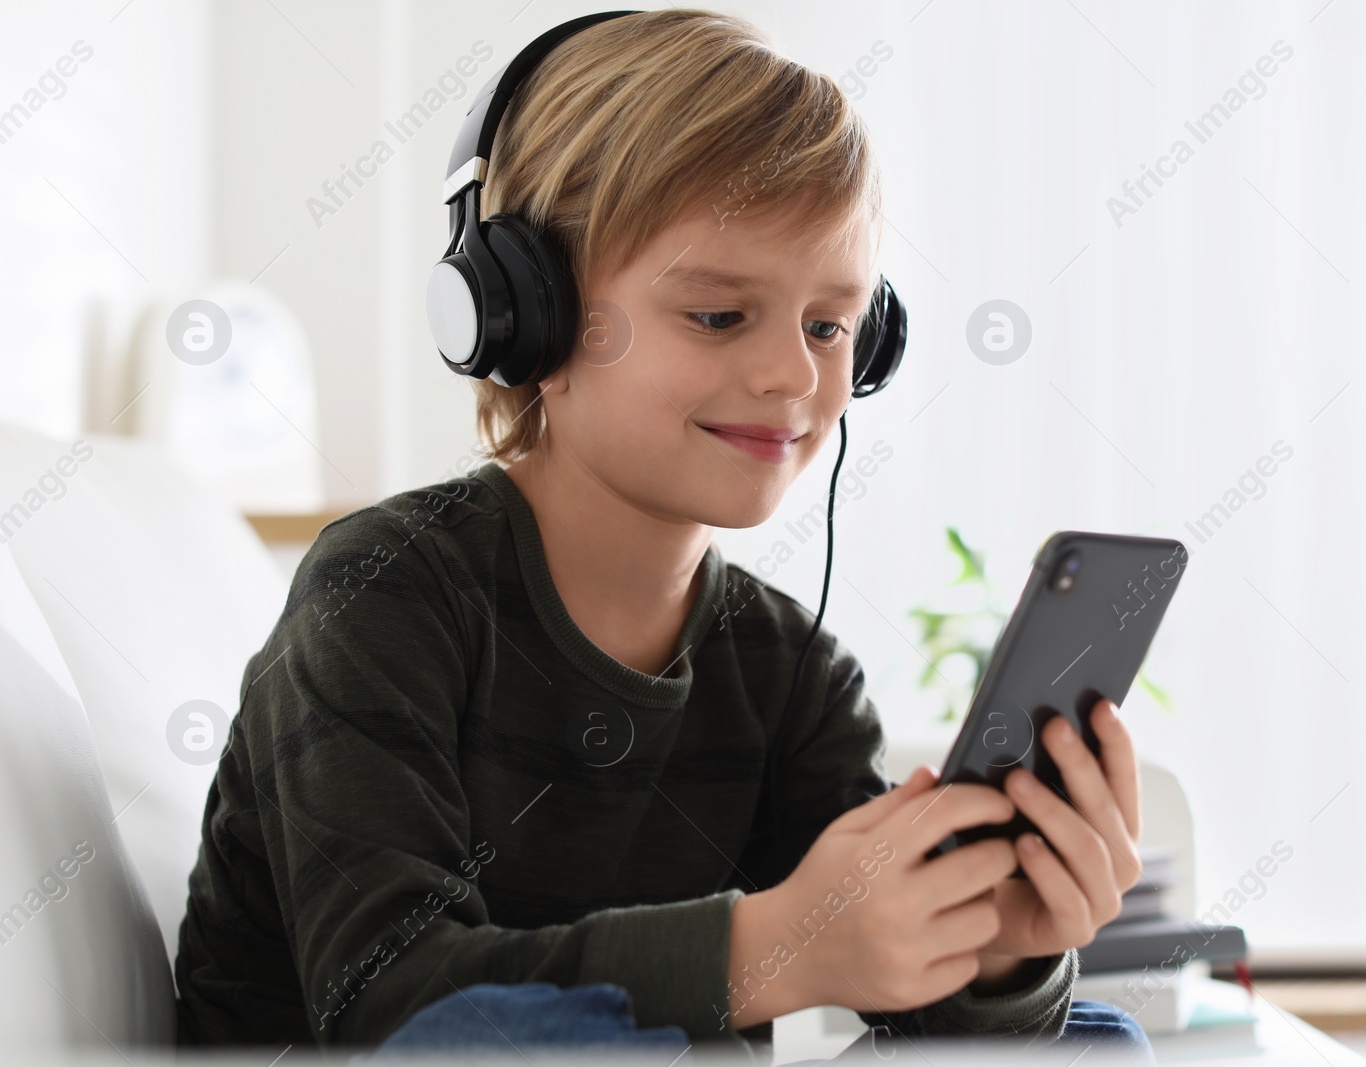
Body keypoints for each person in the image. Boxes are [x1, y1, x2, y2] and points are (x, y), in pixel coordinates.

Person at [172, 9, 1154, 1063]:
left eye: (830, 324)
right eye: (719, 316)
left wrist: (996, 951)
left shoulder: (792, 675)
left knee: (1098, 1039)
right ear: (523, 313)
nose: (794, 374)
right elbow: (396, 1010)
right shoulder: (385, 591)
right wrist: (777, 945)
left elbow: (912, 1019)